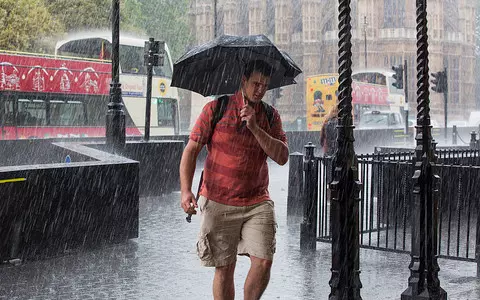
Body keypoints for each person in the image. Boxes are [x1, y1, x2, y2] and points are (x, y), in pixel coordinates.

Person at [180, 59, 289, 300]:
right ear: (243, 81)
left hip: (257, 201)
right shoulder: (216, 108)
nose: (260, 90)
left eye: (265, 85)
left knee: (263, 262)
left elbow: (282, 156)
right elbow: (191, 150)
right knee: (224, 267)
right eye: (255, 83)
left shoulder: (270, 116)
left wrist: (255, 127)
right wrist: (186, 190)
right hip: (219, 199)